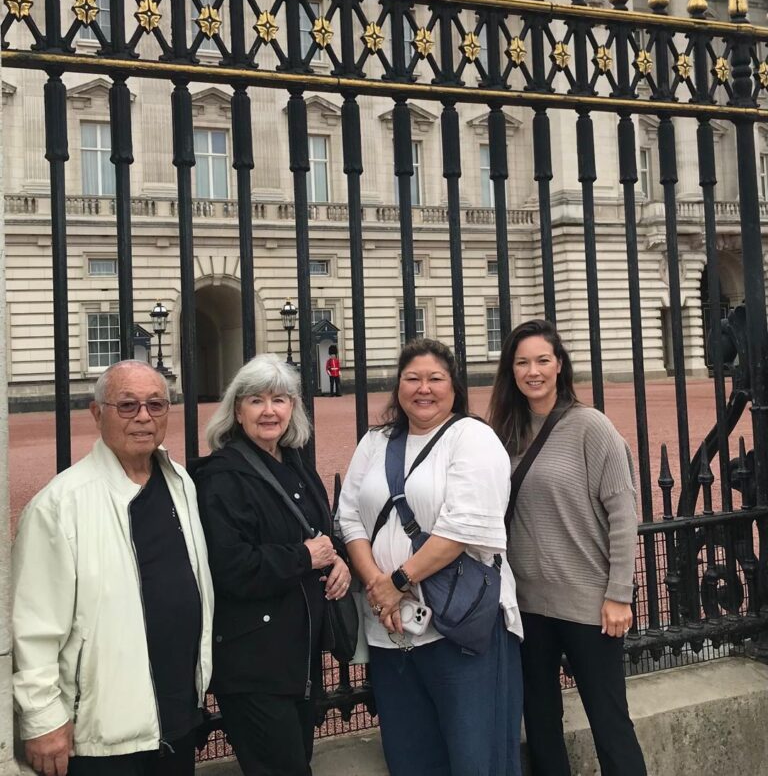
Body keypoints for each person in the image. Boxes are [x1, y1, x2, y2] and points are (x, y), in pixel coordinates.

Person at [12, 361, 214, 776]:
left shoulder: (180, 482)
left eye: (155, 404)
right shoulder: (60, 505)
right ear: (96, 413)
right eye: (127, 405)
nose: (143, 416)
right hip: (102, 733)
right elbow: (33, 624)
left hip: (177, 715)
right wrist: (42, 718)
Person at [337, 337, 524, 776]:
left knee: (477, 758)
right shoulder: (376, 441)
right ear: (398, 387)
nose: (424, 388)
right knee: (411, 758)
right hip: (391, 626)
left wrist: (395, 583)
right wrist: (379, 587)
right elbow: (349, 518)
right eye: (412, 378)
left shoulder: (473, 437)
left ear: (454, 386)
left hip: (460, 625)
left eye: (435, 379)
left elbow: (463, 527)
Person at [488, 319, 647, 776]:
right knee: (540, 724)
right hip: (527, 606)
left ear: (559, 365)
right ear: (511, 370)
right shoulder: (505, 434)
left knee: (610, 724)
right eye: (522, 362)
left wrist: (619, 594)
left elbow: (623, 515)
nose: (532, 371)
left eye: (542, 360)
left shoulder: (591, 427)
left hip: (588, 603)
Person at [192, 353, 351, 776]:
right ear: (237, 411)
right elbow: (230, 566)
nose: (269, 411)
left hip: (298, 654)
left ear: (292, 407)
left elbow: (320, 532)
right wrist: (305, 557)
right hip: (253, 661)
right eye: (256, 400)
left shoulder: (294, 462)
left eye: (279, 400)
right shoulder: (223, 476)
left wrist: (337, 558)